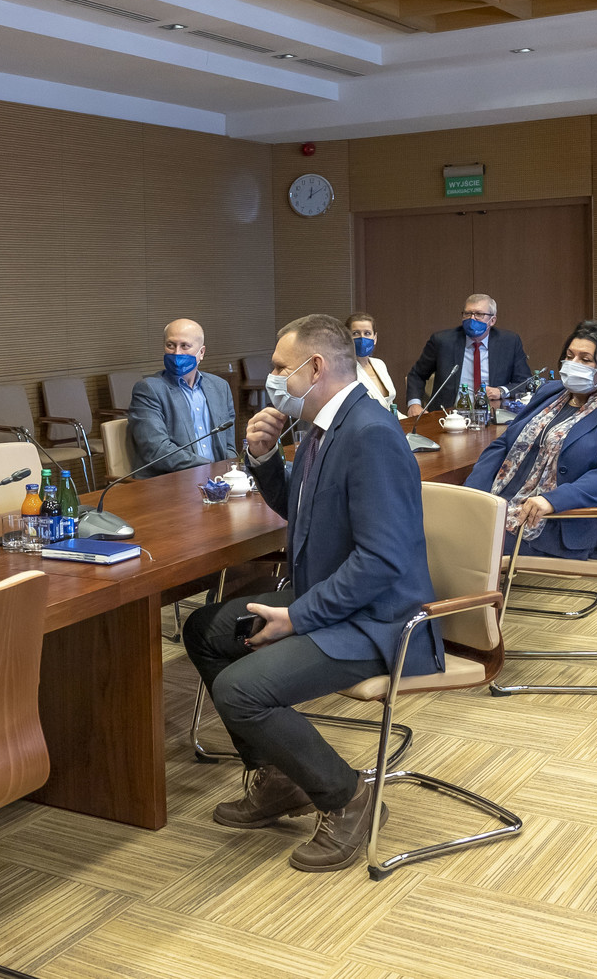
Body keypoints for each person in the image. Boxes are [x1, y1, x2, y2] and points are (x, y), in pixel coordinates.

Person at [183, 314, 438, 873]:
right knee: (204, 630)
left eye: (281, 367)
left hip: (381, 622)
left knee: (239, 691)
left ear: (315, 367)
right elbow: (302, 511)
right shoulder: (323, 427)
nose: (273, 379)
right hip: (334, 603)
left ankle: (349, 798)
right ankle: (280, 778)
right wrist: (264, 458)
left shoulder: (370, 434)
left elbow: (382, 560)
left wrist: (298, 617)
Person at [466, 322, 597, 561]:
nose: (573, 364)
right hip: (500, 504)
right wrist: (473, 494)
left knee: (461, 542)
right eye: (570, 356)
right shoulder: (550, 392)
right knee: (442, 526)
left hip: (553, 520)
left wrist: (551, 501)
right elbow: (504, 444)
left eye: (585, 360)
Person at [126, 318, 237, 475]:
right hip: (170, 480)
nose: (177, 353)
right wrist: (209, 468)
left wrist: (231, 471)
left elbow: (229, 445)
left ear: (201, 353)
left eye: (185, 346)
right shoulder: (149, 389)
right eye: (170, 345)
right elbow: (156, 450)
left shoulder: (220, 387)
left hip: (218, 480)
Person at [404, 294, 530, 418]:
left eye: (479, 314)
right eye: (467, 314)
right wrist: (414, 404)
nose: (472, 319)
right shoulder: (443, 341)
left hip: (492, 416)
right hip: (448, 416)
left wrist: (501, 391)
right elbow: (417, 375)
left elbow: (525, 382)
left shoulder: (509, 342)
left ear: (492, 320)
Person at [344, 312, 395, 409]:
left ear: (375, 338)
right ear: (347, 337)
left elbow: (390, 405)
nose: (362, 338)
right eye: (356, 333)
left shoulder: (379, 364)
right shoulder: (344, 370)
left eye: (367, 333)